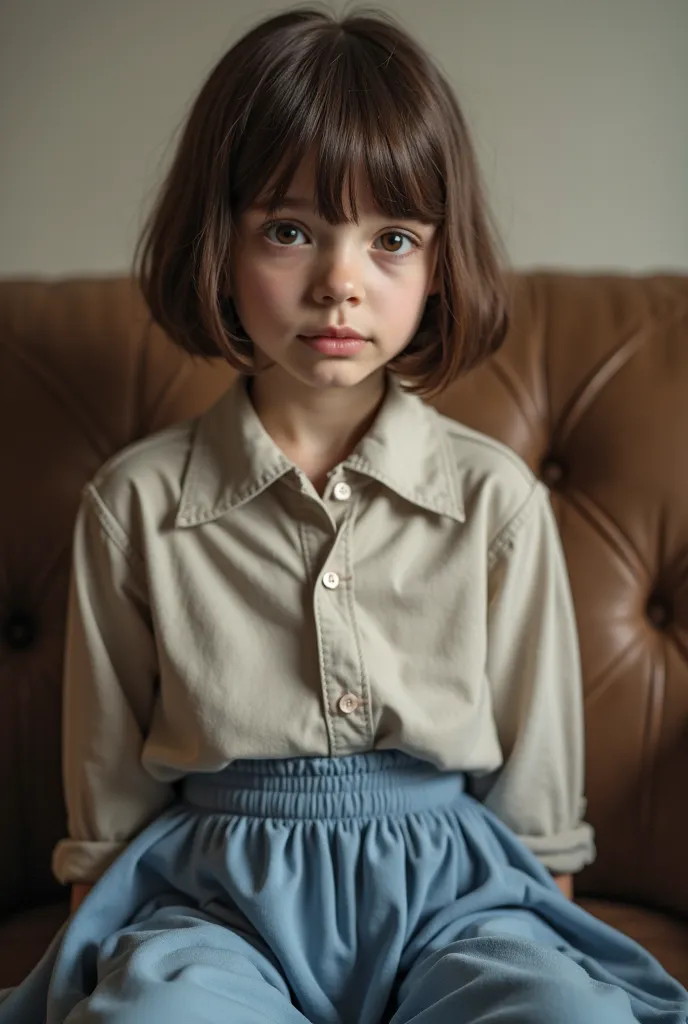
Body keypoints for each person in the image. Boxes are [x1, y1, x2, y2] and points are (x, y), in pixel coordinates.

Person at [1, 7, 687, 1023]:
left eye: (392, 239)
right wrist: (104, 941)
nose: (339, 284)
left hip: (453, 891)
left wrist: (543, 935)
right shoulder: (135, 506)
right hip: (212, 894)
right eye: (290, 231)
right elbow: (106, 796)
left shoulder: (492, 498)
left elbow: (539, 789)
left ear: (438, 264)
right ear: (218, 243)